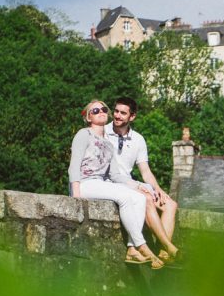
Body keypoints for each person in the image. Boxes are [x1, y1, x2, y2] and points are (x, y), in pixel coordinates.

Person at [69, 100, 163, 269]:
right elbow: (74, 166)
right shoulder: (83, 134)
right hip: (84, 184)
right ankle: (143, 246)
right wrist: (75, 196)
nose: (101, 111)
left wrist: (138, 185)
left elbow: (115, 175)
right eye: (95, 110)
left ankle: (132, 249)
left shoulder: (108, 143)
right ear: (88, 117)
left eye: (104, 109)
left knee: (140, 198)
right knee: (125, 198)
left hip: (99, 183)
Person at [106, 97, 180, 263]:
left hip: (131, 183)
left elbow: (145, 171)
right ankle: (170, 246)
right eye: (116, 111)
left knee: (170, 204)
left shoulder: (138, 139)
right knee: (145, 198)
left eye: (122, 113)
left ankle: (163, 253)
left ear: (132, 117)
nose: (117, 116)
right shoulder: (102, 132)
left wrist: (159, 189)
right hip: (111, 184)